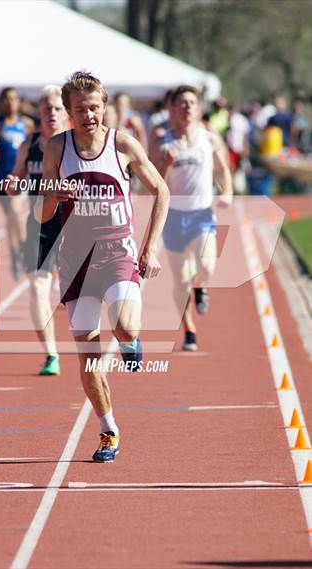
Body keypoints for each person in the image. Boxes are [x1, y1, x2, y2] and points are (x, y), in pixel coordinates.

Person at [35, 71, 169, 462]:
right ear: (69, 111)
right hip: (75, 261)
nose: (88, 115)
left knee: (125, 325)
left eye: (94, 107)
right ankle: (108, 431)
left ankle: (130, 342)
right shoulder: (57, 147)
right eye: (80, 109)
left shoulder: (122, 143)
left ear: (104, 106)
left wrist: (150, 248)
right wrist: (54, 196)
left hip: (116, 253)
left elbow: (160, 189)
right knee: (88, 357)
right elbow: (42, 214)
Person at [151, 85, 233, 351]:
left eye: (192, 103)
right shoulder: (163, 141)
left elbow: (222, 169)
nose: (187, 107)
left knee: (206, 266)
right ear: (172, 109)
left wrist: (228, 192)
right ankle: (189, 328)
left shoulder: (209, 139)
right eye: (182, 103)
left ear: (198, 108)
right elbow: (153, 184)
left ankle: (202, 287)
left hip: (202, 214)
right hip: (174, 217)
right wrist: (164, 163)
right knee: (180, 281)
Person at [7, 85, 70, 376]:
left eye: (58, 109)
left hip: (74, 223)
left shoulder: (76, 143)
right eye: (47, 109)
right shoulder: (28, 145)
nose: (52, 114)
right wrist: (12, 183)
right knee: (37, 289)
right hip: (40, 225)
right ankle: (51, 355)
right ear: (39, 114)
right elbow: (17, 177)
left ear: (66, 112)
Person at [0, 87, 35, 279]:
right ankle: (15, 252)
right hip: (1, 178)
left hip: (20, 176)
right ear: (1, 103)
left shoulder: (27, 123)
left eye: (14, 98)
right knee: (10, 217)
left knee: (15, 211)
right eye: (6, 99)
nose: (10, 102)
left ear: (18, 101)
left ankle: (22, 247)